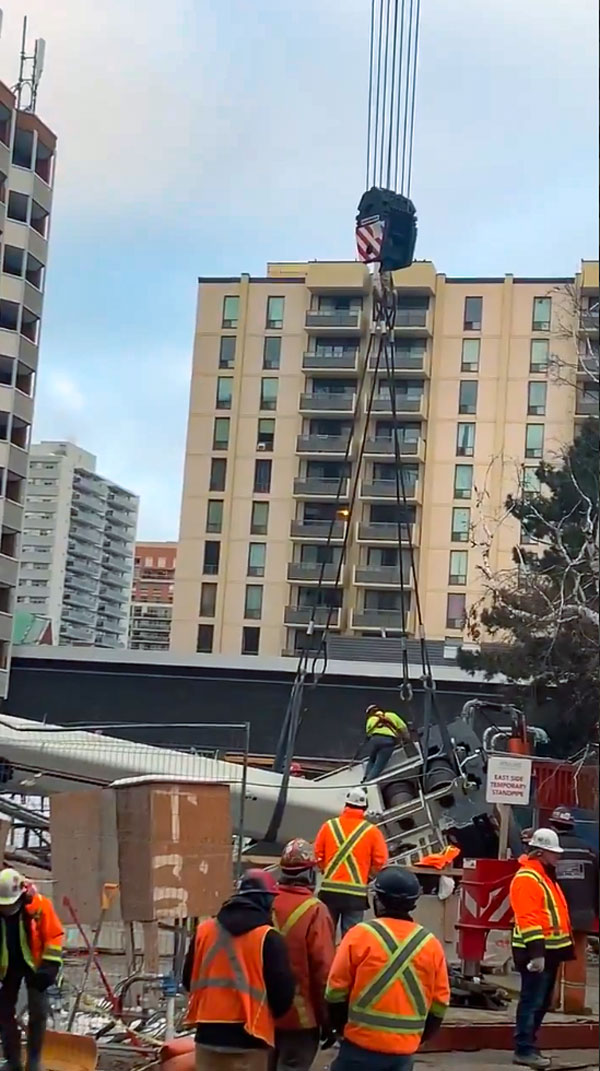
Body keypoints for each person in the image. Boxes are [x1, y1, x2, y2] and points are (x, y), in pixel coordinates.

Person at [325, 866, 450, 1071]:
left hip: (358, 1047)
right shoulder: (430, 944)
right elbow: (439, 1003)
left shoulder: (360, 935)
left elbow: (334, 992)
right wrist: (416, 1038)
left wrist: (341, 1029)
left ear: (378, 901)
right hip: (403, 1053)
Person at [183, 869, 296, 1071]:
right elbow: (283, 995)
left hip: (207, 1036)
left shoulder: (204, 931)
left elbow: (187, 979)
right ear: (265, 900)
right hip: (250, 1038)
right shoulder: (268, 938)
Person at [509, 828, 574, 1070]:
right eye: (552, 853)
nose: (557, 857)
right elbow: (529, 918)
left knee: (540, 1001)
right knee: (532, 1001)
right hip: (537, 952)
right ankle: (524, 1048)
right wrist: (537, 955)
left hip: (549, 951)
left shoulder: (544, 876)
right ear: (539, 852)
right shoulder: (528, 878)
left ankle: (529, 1045)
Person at [270, 839, 336, 1071]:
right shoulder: (315, 910)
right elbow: (323, 971)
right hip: (300, 1018)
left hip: (262, 1014)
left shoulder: (265, 904)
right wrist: (328, 1020)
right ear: (310, 874)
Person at [0, 868, 64, 1071]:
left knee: (38, 1011)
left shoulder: (40, 906)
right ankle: (13, 1061)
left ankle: (34, 1059)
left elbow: (53, 935)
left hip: (35, 965)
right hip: (8, 966)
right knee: (3, 1012)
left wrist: (50, 966)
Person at [315, 787, 389, 939]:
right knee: (350, 941)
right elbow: (380, 861)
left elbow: (317, 855)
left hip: (329, 893)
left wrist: (327, 871)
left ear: (346, 805)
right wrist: (367, 877)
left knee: (325, 939)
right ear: (364, 808)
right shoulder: (372, 831)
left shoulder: (329, 826)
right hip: (355, 896)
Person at [548, 806, 598, 1013]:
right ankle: (574, 1004)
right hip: (582, 915)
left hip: (554, 915)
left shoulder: (547, 852)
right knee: (576, 957)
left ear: (552, 825)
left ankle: (550, 1001)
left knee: (553, 957)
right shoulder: (589, 851)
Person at [362, 705, 410, 783]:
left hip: (375, 741)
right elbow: (403, 727)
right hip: (387, 742)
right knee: (379, 766)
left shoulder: (370, 720)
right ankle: (367, 783)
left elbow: (369, 734)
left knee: (372, 760)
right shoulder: (392, 715)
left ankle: (365, 777)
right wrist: (407, 739)